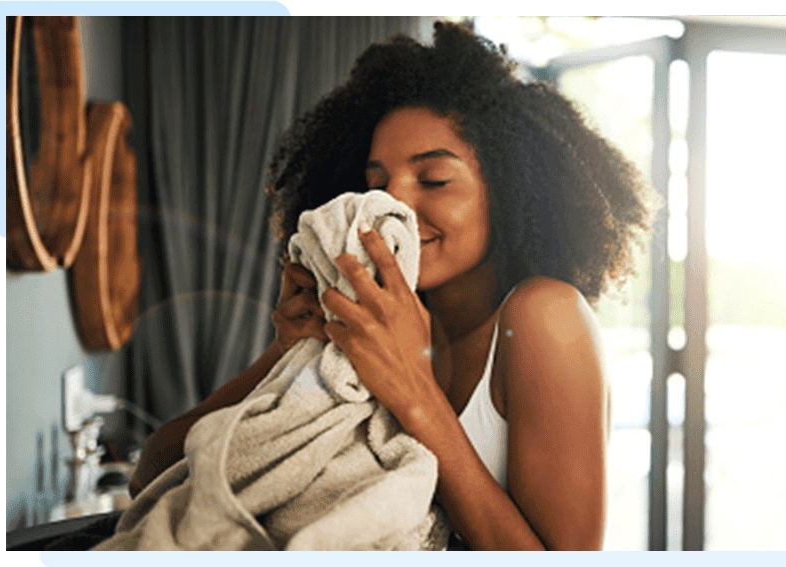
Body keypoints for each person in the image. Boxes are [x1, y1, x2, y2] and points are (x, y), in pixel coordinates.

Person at [128, 21, 655, 551]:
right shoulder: (361, 322)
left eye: (434, 180)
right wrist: (285, 355)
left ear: (513, 193)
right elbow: (151, 473)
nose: (393, 207)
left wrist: (415, 393)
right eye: (376, 185)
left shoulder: (544, 317)